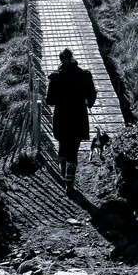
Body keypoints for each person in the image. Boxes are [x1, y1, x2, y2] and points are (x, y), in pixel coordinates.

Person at [46, 48, 97, 193]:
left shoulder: (56, 77)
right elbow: (92, 95)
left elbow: (49, 100)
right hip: (78, 116)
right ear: (73, 59)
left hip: (62, 116)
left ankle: (64, 173)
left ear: (61, 60)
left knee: (63, 144)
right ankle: (70, 182)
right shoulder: (84, 75)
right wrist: (88, 102)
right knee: (73, 148)